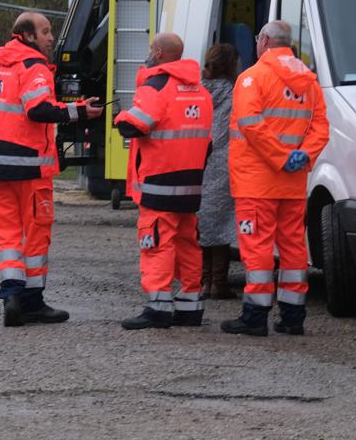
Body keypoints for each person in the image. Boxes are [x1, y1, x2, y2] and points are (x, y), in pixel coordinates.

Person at [0, 12, 101, 327]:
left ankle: (10, 295)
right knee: (35, 235)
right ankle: (32, 302)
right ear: (29, 36)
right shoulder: (33, 67)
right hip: (29, 168)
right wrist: (79, 111)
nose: (51, 37)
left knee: (7, 235)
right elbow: (38, 110)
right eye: (46, 32)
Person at [221, 21, 330, 337]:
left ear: (265, 40)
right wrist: (304, 155)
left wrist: (281, 158)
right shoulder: (309, 81)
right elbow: (321, 127)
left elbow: (252, 125)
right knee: (294, 247)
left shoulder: (252, 78)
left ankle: (255, 315)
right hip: (293, 183)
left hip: (257, 181)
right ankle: (293, 316)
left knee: (257, 246)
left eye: (258, 38)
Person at [113, 33, 214, 330]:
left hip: (159, 181)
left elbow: (138, 124)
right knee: (187, 243)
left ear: (157, 52)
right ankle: (190, 307)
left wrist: (119, 117)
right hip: (191, 183)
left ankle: (158, 308)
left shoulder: (155, 86)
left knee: (156, 241)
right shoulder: (200, 90)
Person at [199, 43, 240, 299]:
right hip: (225, 162)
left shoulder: (197, 91)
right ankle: (219, 283)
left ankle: (203, 282)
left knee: (202, 222)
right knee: (223, 223)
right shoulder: (234, 91)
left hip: (199, 161)